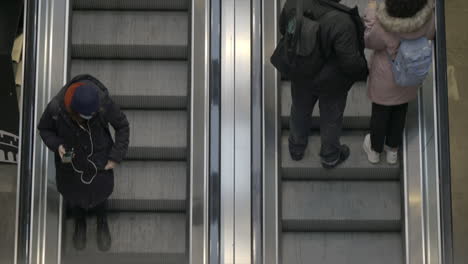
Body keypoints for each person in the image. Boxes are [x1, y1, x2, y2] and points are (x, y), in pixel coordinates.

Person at [38, 74, 130, 251]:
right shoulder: (56, 108)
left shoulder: (102, 103)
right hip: (71, 162)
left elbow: (122, 125)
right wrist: (57, 145)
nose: (91, 118)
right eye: (86, 116)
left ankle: (102, 220)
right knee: (74, 194)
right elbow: (44, 129)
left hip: (99, 160)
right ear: (74, 111)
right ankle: (80, 221)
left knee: (101, 193)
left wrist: (116, 155)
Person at [281, 0, 368, 168]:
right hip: (332, 83)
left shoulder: (293, 3)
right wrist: (365, 69)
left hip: (301, 72)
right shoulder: (342, 22)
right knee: (331, 119)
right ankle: (330, 156)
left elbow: (284, 29)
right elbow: (350, 63)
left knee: (299, 109)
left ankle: (296, 148)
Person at [362, 0, 435, 164]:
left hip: (385, 78)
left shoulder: (383, 24)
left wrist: (372, 11)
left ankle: (375, 151)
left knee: (380, 115)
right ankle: (392, 151)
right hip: (409, 76)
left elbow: (369, 41)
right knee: (400, 112)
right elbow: (431, 34)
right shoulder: (427, 17)